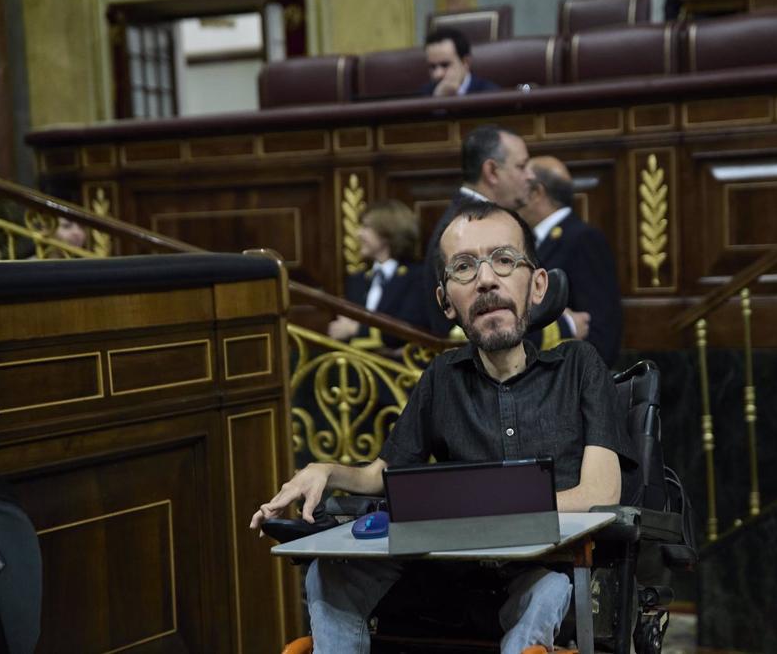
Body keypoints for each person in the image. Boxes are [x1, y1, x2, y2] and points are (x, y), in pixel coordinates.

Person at [251, 201, 636, 653]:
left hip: (549, 570)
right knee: (330, 573)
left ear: (537, 285)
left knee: (548, 592)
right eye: (465, 268)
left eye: (504, 260)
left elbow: (599, 493)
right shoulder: (442, 376)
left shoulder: (577, 365)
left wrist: (474, 514)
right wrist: (326, 471)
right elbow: (383, 474)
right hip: (456, 577)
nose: (487, 280)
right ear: (445, 302)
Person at [423, 124, 535, 336]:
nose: (530, 176)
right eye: (521, 166)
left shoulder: (466, 218)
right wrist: (566, 324)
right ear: (492, 171)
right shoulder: (460, 228)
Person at [519, 157, 623, 367]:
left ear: (537, 192)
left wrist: (584, 385)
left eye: (522, 184)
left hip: (570, 379)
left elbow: (601, 329)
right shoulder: (535, 241)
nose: (515, 194)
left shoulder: (583, 239)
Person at [327, 200, 428, 349]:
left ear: (388, 232)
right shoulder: (358, 280)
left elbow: (410, 329)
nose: (358, 233)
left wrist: (355, 329)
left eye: (366, 227)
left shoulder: (416, 277)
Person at [423, 27, 499, 97]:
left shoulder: (490, 94)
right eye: (432, 67)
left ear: (466, 62)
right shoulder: (423, 95)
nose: (437, 74)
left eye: (445, 65)